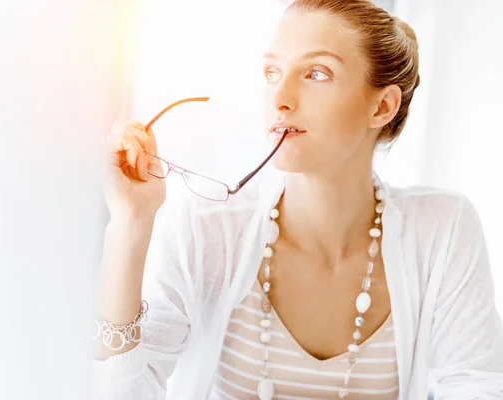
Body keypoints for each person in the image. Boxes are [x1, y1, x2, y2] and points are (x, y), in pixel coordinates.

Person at [93, 0, 503, 398]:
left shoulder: (443, 229)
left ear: (382, 106)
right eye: (273, 72)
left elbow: (476, 386)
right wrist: (130, 225)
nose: (279, 98)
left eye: (317, 74)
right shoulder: (206, 228)